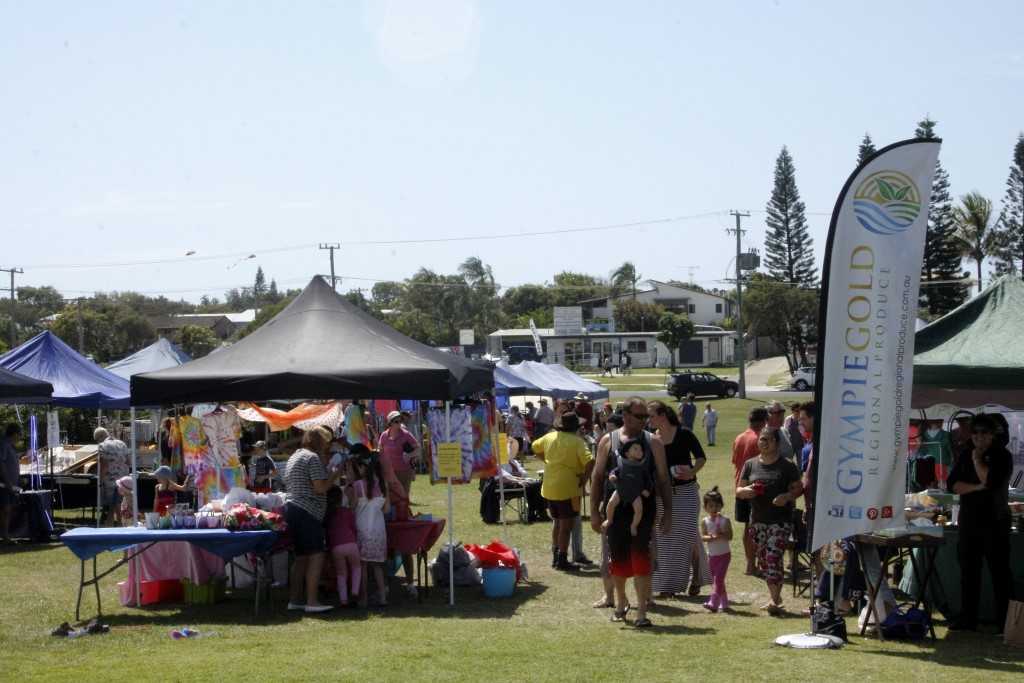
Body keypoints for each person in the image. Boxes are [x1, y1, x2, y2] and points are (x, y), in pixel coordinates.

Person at [590, 397, 672, 628]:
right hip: (616, 511)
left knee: (641, 557)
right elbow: (597, 478)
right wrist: (596, 513)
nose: (644, 421)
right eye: (640, 416)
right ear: (625, 415)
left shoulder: (653, 442)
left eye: (646, 416)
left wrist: (668, 512)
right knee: (618, 558)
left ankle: (642, 611)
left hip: (643, 511)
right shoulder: (608, 441)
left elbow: (664, 479)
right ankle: (620, 602)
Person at [947, 414, 1014, 632]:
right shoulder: (965, 453)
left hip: (995, 520)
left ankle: (1004, 621)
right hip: (969, 521)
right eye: (975, 432)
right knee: (969, 572)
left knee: (999, 573)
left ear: (993, 434)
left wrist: (977, 462)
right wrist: (975, 488)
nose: (978, 436)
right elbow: (953, 485)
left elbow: (991, 481)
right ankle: (968, 618)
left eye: (984, 432)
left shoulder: (1003, 456)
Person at [736, 427, 802, 615]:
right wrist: (747, 491)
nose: (763, 443)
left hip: (780, 521)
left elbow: (798, 488)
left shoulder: (787, 466)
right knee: (764, 559)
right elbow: (739, 490)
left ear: (776, 443)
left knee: (774, 557)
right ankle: (776, 596)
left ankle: (774, 601)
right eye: (761, 439)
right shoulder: (750, 464)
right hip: (757, 520)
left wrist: (787, 496)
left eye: (767, 440)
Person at [648, 400, 710, 598]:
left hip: (686, 494)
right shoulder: (652, 439)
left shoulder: (684, 434)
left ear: (662, 415)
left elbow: (700, 457)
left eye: (651, 415)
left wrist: (691, 472)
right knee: (665, 541)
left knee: (688, 538)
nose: (648, 420)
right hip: (661, 495)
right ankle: (668, 585)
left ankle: (697, 579)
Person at [284, 427, 343, 613]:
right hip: (307, 511)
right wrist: (335, 473)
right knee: (316, 555)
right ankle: (312, 601)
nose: (326, 446)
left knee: (301, 557)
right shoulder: (313, 458)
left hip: (292, 508)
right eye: (325, 442)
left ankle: (295, 600)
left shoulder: (295, 456)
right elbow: (320, 488)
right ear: (319, 442)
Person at [532, 412, 593, 571]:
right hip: (569, 488)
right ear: (576, 427)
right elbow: (590, 461)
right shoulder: (577, 442)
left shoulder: (550, 437)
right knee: (566, 526)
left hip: (550, 486)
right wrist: (584, 480)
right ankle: (562, 560)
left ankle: (555, 555)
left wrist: (545, 460)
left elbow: (534, 447)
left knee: (557, 522)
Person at [353, 448, 390, 607]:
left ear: (362, 467)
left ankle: (364, 598)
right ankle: (383, 597)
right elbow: (387, 510)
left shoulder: (357, 485)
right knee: (377, 565)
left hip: (362, 527)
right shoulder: (383, 485)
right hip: (378, 529)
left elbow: (353, 506)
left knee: (362, 565)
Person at [732, 407, 767, 575]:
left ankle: (749, 564)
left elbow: (735, 462)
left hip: (739, 486)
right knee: (756, 527)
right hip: (754, 489)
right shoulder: (760, 439)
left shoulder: (739, 438)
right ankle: (755, 565)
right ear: (764, 421)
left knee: (748, 527)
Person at [602, 438, 653, 537]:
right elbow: (614, 471)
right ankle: (609, 519)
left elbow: (648, 480)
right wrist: (612, 476)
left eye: (641, 450)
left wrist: (647, 490)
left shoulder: (642, 467)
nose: (639, 451)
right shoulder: (622, 464)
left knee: (639, 510)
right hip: (620, 491)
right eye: (635, 449)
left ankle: (633, 525)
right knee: (611, 503)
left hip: (635, 493)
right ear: (627, 453)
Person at [325, 483, 360, 607]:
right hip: (351, 544)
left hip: (336, 547)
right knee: (356, 568)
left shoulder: (327, 515)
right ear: (341, 498)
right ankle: (355, 593)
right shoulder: (347, 511)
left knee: (341, 574)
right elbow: (354, 527)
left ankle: (343, 600)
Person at [700, 486, 732, 613]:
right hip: (712, 556)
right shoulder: (705, 521)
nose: (714, 509)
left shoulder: (725, 520)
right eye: (711, 506)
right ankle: (724, 603)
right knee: (717, 580)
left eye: (716, 506)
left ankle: (713, 602)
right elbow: (703, 536)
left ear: (721, 506)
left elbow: (730, 536)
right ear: (705, 507)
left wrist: (722, 533)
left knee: (718, 579)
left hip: (724, 555)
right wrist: (711, 536)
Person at [498, 447, 549, 522]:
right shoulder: (500, 463)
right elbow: (504, 476)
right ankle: (537, 512)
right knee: (535, 485)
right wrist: (516, 476)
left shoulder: (514, 461)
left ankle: (537, 512)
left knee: (539, 484)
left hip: (520, 481)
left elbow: (524, 473)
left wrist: (518, 474)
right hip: (510, 484)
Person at [378, 410, 419, 503]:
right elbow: (380, 450)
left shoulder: (406, 434)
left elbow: (418, 449)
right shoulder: (384, 435)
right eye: (396, 421)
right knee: (391, 496)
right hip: (389, 471)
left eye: (400, 420)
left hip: (404, 471)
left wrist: (409, 455)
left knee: (403, 497)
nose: (399, 423)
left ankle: (404, 516)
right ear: (390, 423)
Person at [95, 428, 129, 526]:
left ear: (100, 437)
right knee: (119, 504)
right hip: (123, 480)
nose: (97, 442)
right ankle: (115, 525)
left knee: (112, 505)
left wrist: (100, 481)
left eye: (97, 439)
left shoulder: (102, 446)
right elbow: (128, 462)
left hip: (110, 479)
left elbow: (104, 466)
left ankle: (118, 525)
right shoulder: (122, 444)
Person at [0, 424, 22, 544]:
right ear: (14, 434)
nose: (20, 437)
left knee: (8, 510)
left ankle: (5, 535)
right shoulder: (3, 445)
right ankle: (5, 536)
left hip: (11, 485)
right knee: (5, 509)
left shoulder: (11, 446)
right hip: (3, 485)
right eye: (19, 434)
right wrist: (7, 482)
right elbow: (1, 464)